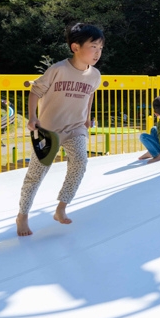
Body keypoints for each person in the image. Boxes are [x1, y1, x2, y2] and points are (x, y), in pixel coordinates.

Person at [16, 22, 103, 237]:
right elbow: (36, 91)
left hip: (75, 128)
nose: (98, 52)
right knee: (36, 175)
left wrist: (87, 116)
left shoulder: (95, 75)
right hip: (48, 130)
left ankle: (61, 206)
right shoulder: (58, 69)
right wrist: (33, 117)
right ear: (75, 47)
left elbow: (90, 93)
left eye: (100, 48)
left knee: (80, 161)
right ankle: (22, 215)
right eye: (93, 47)